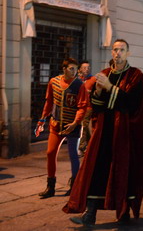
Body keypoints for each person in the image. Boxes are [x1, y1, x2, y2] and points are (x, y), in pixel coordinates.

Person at [63, 39, 143, 226]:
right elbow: (97, 107)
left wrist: (110, 88)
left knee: (124, 171)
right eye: (115, 50)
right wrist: (98, 93)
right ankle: (90, 213)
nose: (117, 53)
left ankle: (124, 212)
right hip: (104, 131)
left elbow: (132, 104)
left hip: (125, 133)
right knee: (97, 170)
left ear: (128, 53)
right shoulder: (104, 74)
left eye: (122, 50)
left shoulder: (136, 76)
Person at [36, 58, 89, 198]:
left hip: (72, 127)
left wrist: (75, 123)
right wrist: (42, 120)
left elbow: (82, 106)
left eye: (75, 69)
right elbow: (49, 102)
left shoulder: (79, 85)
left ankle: (75, 186)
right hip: (56, 124)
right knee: (50, 153)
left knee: (73, 155)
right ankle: (50, 186)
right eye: (71, 68)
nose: (74, 71)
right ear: (64, 68)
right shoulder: (53, 82)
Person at [77, 60, 95, 157]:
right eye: (84, 67)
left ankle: (81, 147)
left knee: (84, 126)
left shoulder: (93, 80)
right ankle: (90, 146)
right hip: (78, 108)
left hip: (89, 107)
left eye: (88, 67)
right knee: (86, 128)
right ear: (80, 69)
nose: (87, 69)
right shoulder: (77, 80)